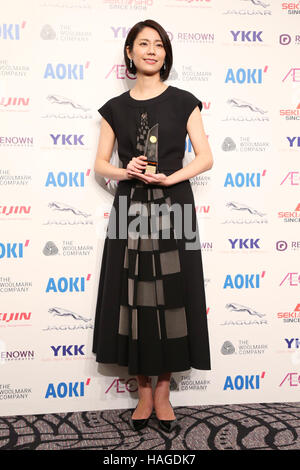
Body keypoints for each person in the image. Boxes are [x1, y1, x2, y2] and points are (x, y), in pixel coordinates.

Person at [92, 19, 213, 433]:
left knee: (172, 297)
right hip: (131, 209)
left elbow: (205, 157)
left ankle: (163, 392)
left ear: (166, 54)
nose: (151, 50)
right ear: (129, 52)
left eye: (158, 45)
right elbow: (100, 166)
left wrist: (170, 177)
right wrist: (126, 170)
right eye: (143, 44)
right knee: (134, 296)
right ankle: (142, 392)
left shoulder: (184, 102)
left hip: (174, 205)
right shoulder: (114, 109)